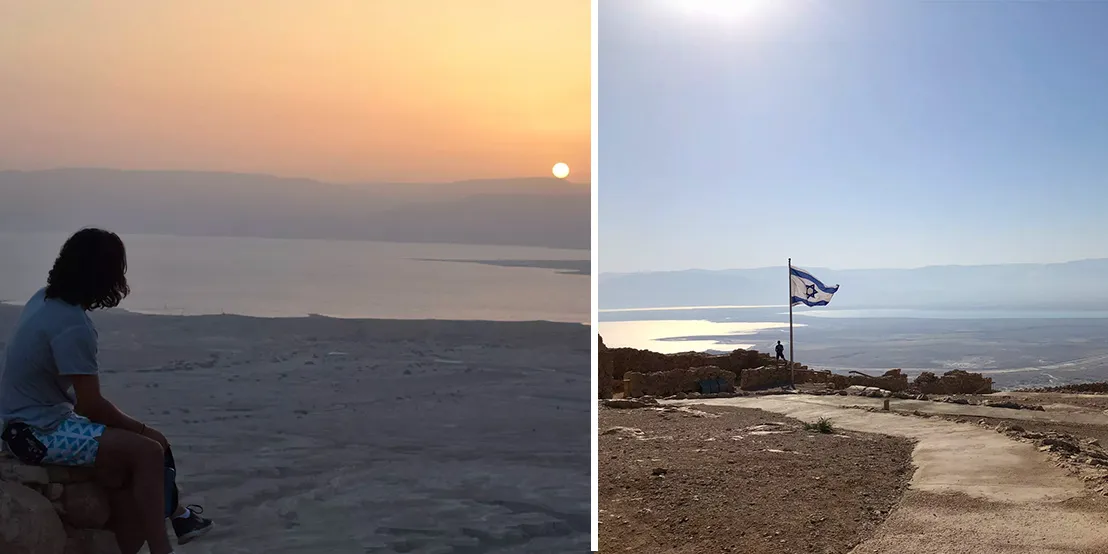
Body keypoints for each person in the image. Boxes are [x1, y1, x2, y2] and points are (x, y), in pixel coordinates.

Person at [0, 228, 213, 554]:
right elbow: (92, 406)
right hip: (34, 432)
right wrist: (146, 430)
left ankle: (175, 516)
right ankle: (165, 544)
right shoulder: (73, 326)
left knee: (133, 463)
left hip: (30, 418)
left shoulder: (44, 298)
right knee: (149, 451)